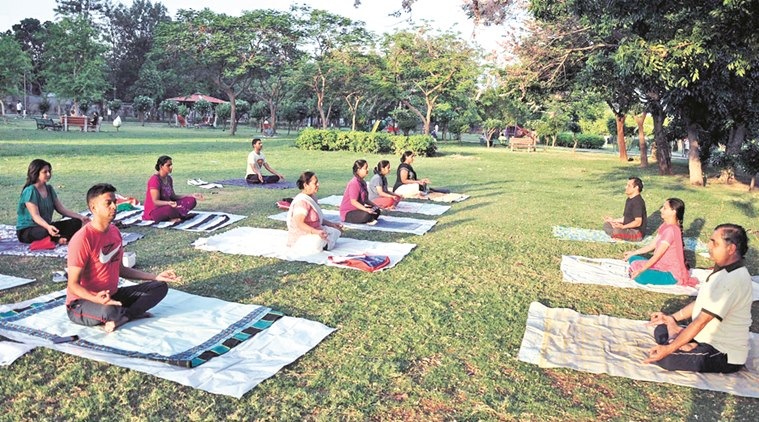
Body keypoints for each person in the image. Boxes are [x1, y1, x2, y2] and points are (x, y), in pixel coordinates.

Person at [66, 183, 179, 333]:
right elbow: (73, 285)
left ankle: (124, 316)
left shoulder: (114, 232)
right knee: (110, 311)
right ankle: (124, 314)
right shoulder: (82, 239)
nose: (114, 206)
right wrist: (96, 299)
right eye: (108, 203)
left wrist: (155, 277)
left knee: (159, 287)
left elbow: (121, 269)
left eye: (115, 202)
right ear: (93, 208)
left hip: (112, 294)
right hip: (83, 302)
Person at [643, 224, 752, 373]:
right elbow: (701, 302)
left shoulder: (734, 278)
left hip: (723, 352)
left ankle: (679, 340)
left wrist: (670, 347)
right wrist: (671, 319)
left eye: (715, 242)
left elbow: (702, 321)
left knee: (666, 358)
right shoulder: (723, 270)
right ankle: (681, 339)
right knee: (661, 328)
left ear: (731, 249)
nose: (709, 246)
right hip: (703, 337)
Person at [623, 198, 697, 286]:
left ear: (673, 212)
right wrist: (633, 252)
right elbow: (652, 245)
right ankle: (643, 269)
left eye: (664, 208)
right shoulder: (665, 225)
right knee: (633, 258)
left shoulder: (671, 231)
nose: (661, 209)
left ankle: (644, 272)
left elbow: (657, 255)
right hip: (661, 264)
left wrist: (641, 270)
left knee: (641, 276)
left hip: (671, 273)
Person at [16, 159, 89, 245]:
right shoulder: (30, 191)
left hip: (47, 226)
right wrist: (48, 227)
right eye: (45, 172)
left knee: (76, 222)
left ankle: (59, 238)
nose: (48, 174)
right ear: (36, 173)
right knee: (44, 231)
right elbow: (35, 216)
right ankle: (59, 238)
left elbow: (61, 209)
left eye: (49, 171)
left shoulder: (49, 189)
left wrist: (80, 217)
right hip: (28, 230)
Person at [287, 172, 343, 253]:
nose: (318, 184)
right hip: (302, 236)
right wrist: (315, 232)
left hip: (316, 230)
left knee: (336, 231)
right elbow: (299, 223)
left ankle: (325, 242)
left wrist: (332, 224)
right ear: (306, 185)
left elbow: (318, 218)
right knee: (320, 240)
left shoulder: (313, 197)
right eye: (315, 183)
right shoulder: (301, 202)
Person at [143, 155, 203, 222]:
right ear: (161, 166)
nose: (171, 167)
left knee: (192, 200)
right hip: (155, 211)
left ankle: (176, 216)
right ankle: (179, 216)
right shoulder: (154, 180)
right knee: (169, 209)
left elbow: (173, 196)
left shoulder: (169, 179)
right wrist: (168, 203)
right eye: (168, 165)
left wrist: (191, 195)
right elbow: (155, 202)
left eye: (171, 165)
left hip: (170, 205)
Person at [603, 176, 647, 241]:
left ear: (636, 188)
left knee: (617, 231)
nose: (626, 187)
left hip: (637, 233)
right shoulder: (629, 199)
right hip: (627, 228)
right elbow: (626, 218)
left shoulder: (638, 202)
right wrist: (613, 220)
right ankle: (619, 235)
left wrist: (623, 227)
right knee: (607, 225)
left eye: (629, 186)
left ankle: (618, 235)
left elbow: (638, 222)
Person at [340, 159, 380, 224]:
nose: (367, 170)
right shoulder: (354, 183)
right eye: (365, 168)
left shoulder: (363, 182)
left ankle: (369, 218)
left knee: (376, 210)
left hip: (358, 210)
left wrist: (375, 205)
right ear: (358, 170)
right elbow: (353, 202)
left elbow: (366, 200)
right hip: (349, 212)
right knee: (367, 214)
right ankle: (369, 218)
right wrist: (366, 209)